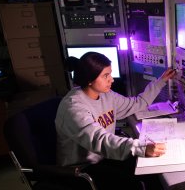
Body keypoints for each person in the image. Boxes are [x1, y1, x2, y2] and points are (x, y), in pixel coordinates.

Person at [55, 51, 176, 190]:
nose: (111, 79)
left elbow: (137, 104)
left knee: (151, 171)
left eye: (110, 74)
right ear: (89, 79)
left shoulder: (106, 95)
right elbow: (100, 140)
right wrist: (140, 147)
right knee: (134, 184)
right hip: (81, 169)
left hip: (104, 158)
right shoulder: (73, 107)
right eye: (106, 75)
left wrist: (161, 81)